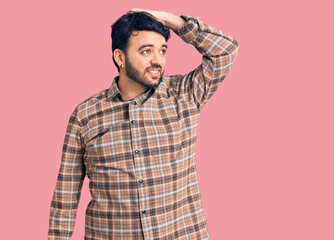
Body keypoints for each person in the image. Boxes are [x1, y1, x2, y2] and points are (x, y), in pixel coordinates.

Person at [48, 8, 239, 240]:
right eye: (146, 51)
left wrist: (175, 22)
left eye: (162, 51)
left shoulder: (184, 95)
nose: (157, 60)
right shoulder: (85, 115)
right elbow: (65, 194)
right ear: (120, 57)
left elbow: (226, 51)